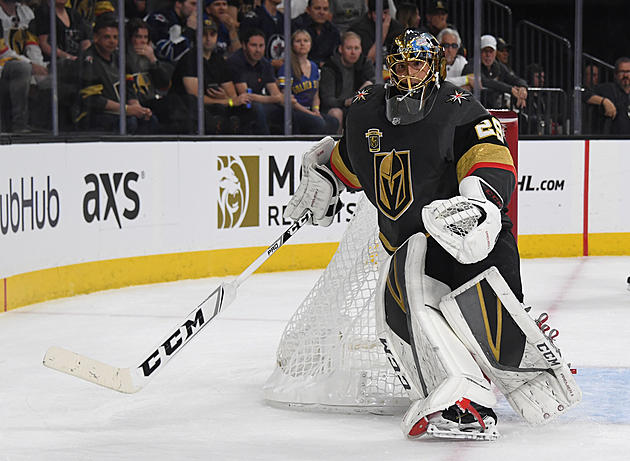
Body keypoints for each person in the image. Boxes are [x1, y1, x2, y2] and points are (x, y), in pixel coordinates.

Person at [282, 30, 581, 441]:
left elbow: (491, 158)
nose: (409, 73)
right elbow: (353, 159)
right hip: (411, 247)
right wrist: (325, 175)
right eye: (402, 64)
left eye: (418, 64)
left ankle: (479, 389)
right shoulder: (366, 110)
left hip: (467, 242)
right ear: (390, 65)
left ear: (435, 66)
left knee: (476, 325)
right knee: (401, 320)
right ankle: (460, 399)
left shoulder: (459, 109)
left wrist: (478, 199)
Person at [76, 15, 158, 134]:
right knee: (129, 122)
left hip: (119, 111)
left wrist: (139, 109)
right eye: (107, 37)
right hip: (90, 115)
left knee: (150, 120)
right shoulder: (88, 60)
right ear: (96, 38)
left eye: (115, 37)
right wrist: (128, 110)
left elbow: (129, 89)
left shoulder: (120, 58)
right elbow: (93, 100)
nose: (112, 41)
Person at [0, 0, 49, 133]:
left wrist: (41, 69)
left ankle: (46, 125)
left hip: (21, 63)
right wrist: (30, 65)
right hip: (4, 66)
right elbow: (2, 52)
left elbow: (31, 44)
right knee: (22, 68)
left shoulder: (26, 12)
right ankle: (19, 125)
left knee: (53, 72)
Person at [277, 29, 338, 134]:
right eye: (298, 41)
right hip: (294, 111)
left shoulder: (314, 67)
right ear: (292, 45)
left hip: (310, 110)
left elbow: (316, 94)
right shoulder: (287, 67)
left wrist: (316, 110)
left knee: (333, 122)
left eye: (305, 41)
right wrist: (309, 113)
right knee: (318, 123)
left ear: (310, 44)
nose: (302, 44)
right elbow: (287, 98)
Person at [228, 27, 284, 133]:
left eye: (261, 46)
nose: (258, 50)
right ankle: (265, 145)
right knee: (257, 108)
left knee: (290, 111)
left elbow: (276, 95)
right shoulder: (235, 62)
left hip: (261, 103)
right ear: (244, 45)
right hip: (239, 107)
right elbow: (246, 97)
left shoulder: (265, 63)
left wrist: (275, 98)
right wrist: (273, 98)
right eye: (253, 45)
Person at [319, 31, 374, 131]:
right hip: (335, 107)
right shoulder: (330, 67)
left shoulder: (364, 64)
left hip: (356, 106)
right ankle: (337, 145)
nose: (353, 52)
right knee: (336, 113)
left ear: (361, 49)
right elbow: (327, 100)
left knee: (369, 86)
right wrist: (345, 102)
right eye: (349, 48)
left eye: (356, 48)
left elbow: (375, 88)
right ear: (341, 49)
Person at [125, 18, 172, 127]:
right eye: (138, 37)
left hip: (151, 102)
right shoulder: (121, 58)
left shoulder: (150, 57)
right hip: (134, 104)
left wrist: (153, 60)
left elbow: (164, 84)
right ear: (129, 38)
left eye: (145, 37)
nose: (142, 41)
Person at [462, 34, 527, 110]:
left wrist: (523, 88)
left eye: (491, 51)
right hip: (474, 110)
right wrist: (510, 89)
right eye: (485, 51)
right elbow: (484, 81)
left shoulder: (498, 66)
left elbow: (513, 78)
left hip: (493, 110)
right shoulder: (471, 65)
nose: (488, 55)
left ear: (495, 53)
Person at [585, 57, 630, 134]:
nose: (625, 75)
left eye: (628, 71)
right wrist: (604, 101)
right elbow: (584, 95)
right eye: (622, 72)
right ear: (615, 75)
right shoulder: (608, 88)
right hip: (612, 141)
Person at [145, 0, 198, 65]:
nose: (196, 9)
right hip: (157, 68)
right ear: (178, 3)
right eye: (193, 4)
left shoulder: (187, 21)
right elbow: (170, 54)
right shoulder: (158, 20)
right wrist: (190, 30)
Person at [291, 0, 340, 67]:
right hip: (299, 68)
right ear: (308, 10)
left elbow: (335, 57)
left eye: (325, 9)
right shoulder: (296, 26)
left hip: (326, 71)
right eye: (317, 8)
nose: (322, 12)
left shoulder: (333, 31)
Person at [239, 0, 284, 69]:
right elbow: (245, 49)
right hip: (257, 71)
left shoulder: (283, 18)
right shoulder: (252, 18)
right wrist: (269, 63)